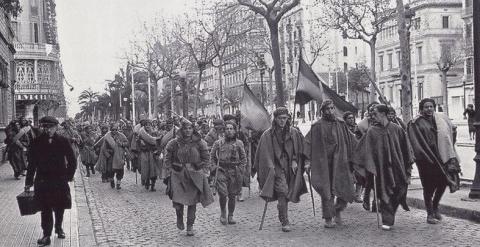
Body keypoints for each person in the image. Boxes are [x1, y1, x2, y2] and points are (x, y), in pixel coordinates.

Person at [352, 104, 414, 231]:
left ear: (384, 114)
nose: (372, 116)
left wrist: (407, 164)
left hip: (397, 167)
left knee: (399, 191)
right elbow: (365, 150)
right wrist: (370, 164)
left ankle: (390, 213)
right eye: (372, 114)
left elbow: (406, 148)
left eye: (375, 114)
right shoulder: (371, 131)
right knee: (384, 193)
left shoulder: (397, 129)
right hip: (380, 169)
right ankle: (387, 219)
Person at [407, 98, 461, 224]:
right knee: (428, 187)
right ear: (421, 109)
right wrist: (425, 156)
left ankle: (435, 206)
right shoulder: (416, 123)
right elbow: (416, 143)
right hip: (426, 160)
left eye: (431, 106)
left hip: (441, 157)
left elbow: (450, 134)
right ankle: (430, 214)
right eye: (426, 107)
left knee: (443, 182)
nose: (429, 109)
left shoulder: (439, 120)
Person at [24, 116, 77, 246]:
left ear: (56, 127)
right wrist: (28, 182)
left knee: (60, 206)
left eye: (50, 127)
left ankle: (59, 228)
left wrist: (68, 176)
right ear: (42, 127)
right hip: (43, 180)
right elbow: (31, 164)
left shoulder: (63, 141)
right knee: (45, 207)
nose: (47, 130)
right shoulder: (36, 142)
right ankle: (46, 235)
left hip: (59, 180)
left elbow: (72, 161)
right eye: (45, 127)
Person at [304, 100, 356, 228]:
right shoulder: (317, 126)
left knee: (345, 188)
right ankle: (328, 218)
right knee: (327, 192)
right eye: (327, 109)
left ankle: (337, 209)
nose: (330, 111)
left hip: (341, 163)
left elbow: (352, 140)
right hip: (324, 164)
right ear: (323, 111)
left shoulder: (341, 124)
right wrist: (307, 161)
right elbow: (308, 143)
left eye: (332, 108)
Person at [254, 107, 307, 232]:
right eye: (280, 118)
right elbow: (262, 153)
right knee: (283, 191)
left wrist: (295, 160)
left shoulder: (294, 132)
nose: (282, 121)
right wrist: (270, 166)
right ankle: (285, 220)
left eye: (285, 118)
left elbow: (301, 147)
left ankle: (281, 209)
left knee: (288, 192)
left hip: (290, 167)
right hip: (276, 167)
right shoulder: (267, 135)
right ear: (275, 119)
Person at [164, 119, 214, 236]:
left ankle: (190, 225)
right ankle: (179, 217)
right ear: (181, 129)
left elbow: (206, 158)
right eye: (185, 128)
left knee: (192, 202)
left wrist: (205, 171)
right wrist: (170, 171)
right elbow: (167, 159)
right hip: (178, 175)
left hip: (195, 175)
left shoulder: (200, 143)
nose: (188, 130)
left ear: (193, 129)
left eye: (190, 128)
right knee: (177, 200)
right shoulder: (174, 143)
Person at [210, 120, 247, 225]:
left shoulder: (239, 143)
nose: (229, 131)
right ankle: (223, 213)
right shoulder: (218, 143)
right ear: (224, 131)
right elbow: (211, 157)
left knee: (232, 195)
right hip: (221, 170)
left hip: (234, 172)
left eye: (231, 129)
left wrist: (240, 169)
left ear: (235, 131)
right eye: (227, 129)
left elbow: (244, 159)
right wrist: (214, 168)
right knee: (223, 194)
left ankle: (230, 215)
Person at [96, 123, 129, 189]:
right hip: (111, 156)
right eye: (113, 129)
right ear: (111, 130)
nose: (114, 131)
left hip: (119, 156)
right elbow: (104, 148)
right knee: (110, 171)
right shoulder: (107, 137)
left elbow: (127, 143)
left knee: (120, 171)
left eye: (116, 129)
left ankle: (118, 183)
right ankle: (112, 181)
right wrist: (108, 155)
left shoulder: (121, 136)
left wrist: (122, 144)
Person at [137, 119, 162, 191]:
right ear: (144, 126)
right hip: (144, 153)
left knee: (153, 170)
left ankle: (153, 185)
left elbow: (158, 142)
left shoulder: (154, 133)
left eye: (149, 124)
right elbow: (137, 144)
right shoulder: (141, 134)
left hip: (152, 153)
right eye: (146, 125)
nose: (148, 126)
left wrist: (157, 150)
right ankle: (147, 182)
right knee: (146, 169)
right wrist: (140, 142)